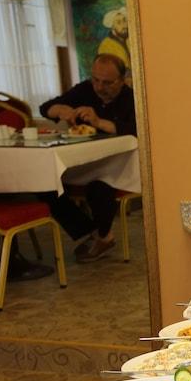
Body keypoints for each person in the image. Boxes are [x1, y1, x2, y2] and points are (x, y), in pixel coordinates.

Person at [40, 53, 136, 262]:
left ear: (122, 80)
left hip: (117, 164)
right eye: (95, 80)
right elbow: (45, 108)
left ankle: (102, 236)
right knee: (45, 184)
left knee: (100, 186)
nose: (99, 87)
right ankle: (89, 231)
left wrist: (99, 122)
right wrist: (61, 110)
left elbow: (136, 129)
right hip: (81, 162)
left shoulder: (130, 98)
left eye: (107, 83)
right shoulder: (84, 90)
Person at [97, 7, 131, 83]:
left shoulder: (131, 40)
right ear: (112, 27)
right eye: (119, 22)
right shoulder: (106, 45)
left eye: (124, 20)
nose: (124, 25)